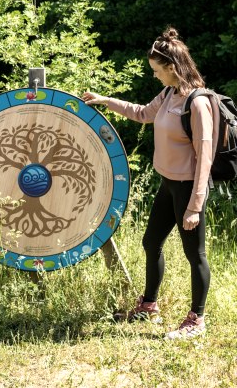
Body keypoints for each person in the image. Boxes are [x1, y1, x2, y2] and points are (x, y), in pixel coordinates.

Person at [83, 27, 218, 340]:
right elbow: (143, 113)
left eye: (157, 71)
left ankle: (196, 320)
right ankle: (149, 306)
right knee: (151, 242)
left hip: (187, 189)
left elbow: (205, 159)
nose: (155, 76)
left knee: (195, 255)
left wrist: (195, 206)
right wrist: (105, 100)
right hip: (168, 183)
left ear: (171, 68)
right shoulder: (170, 93)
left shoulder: (197, 104)